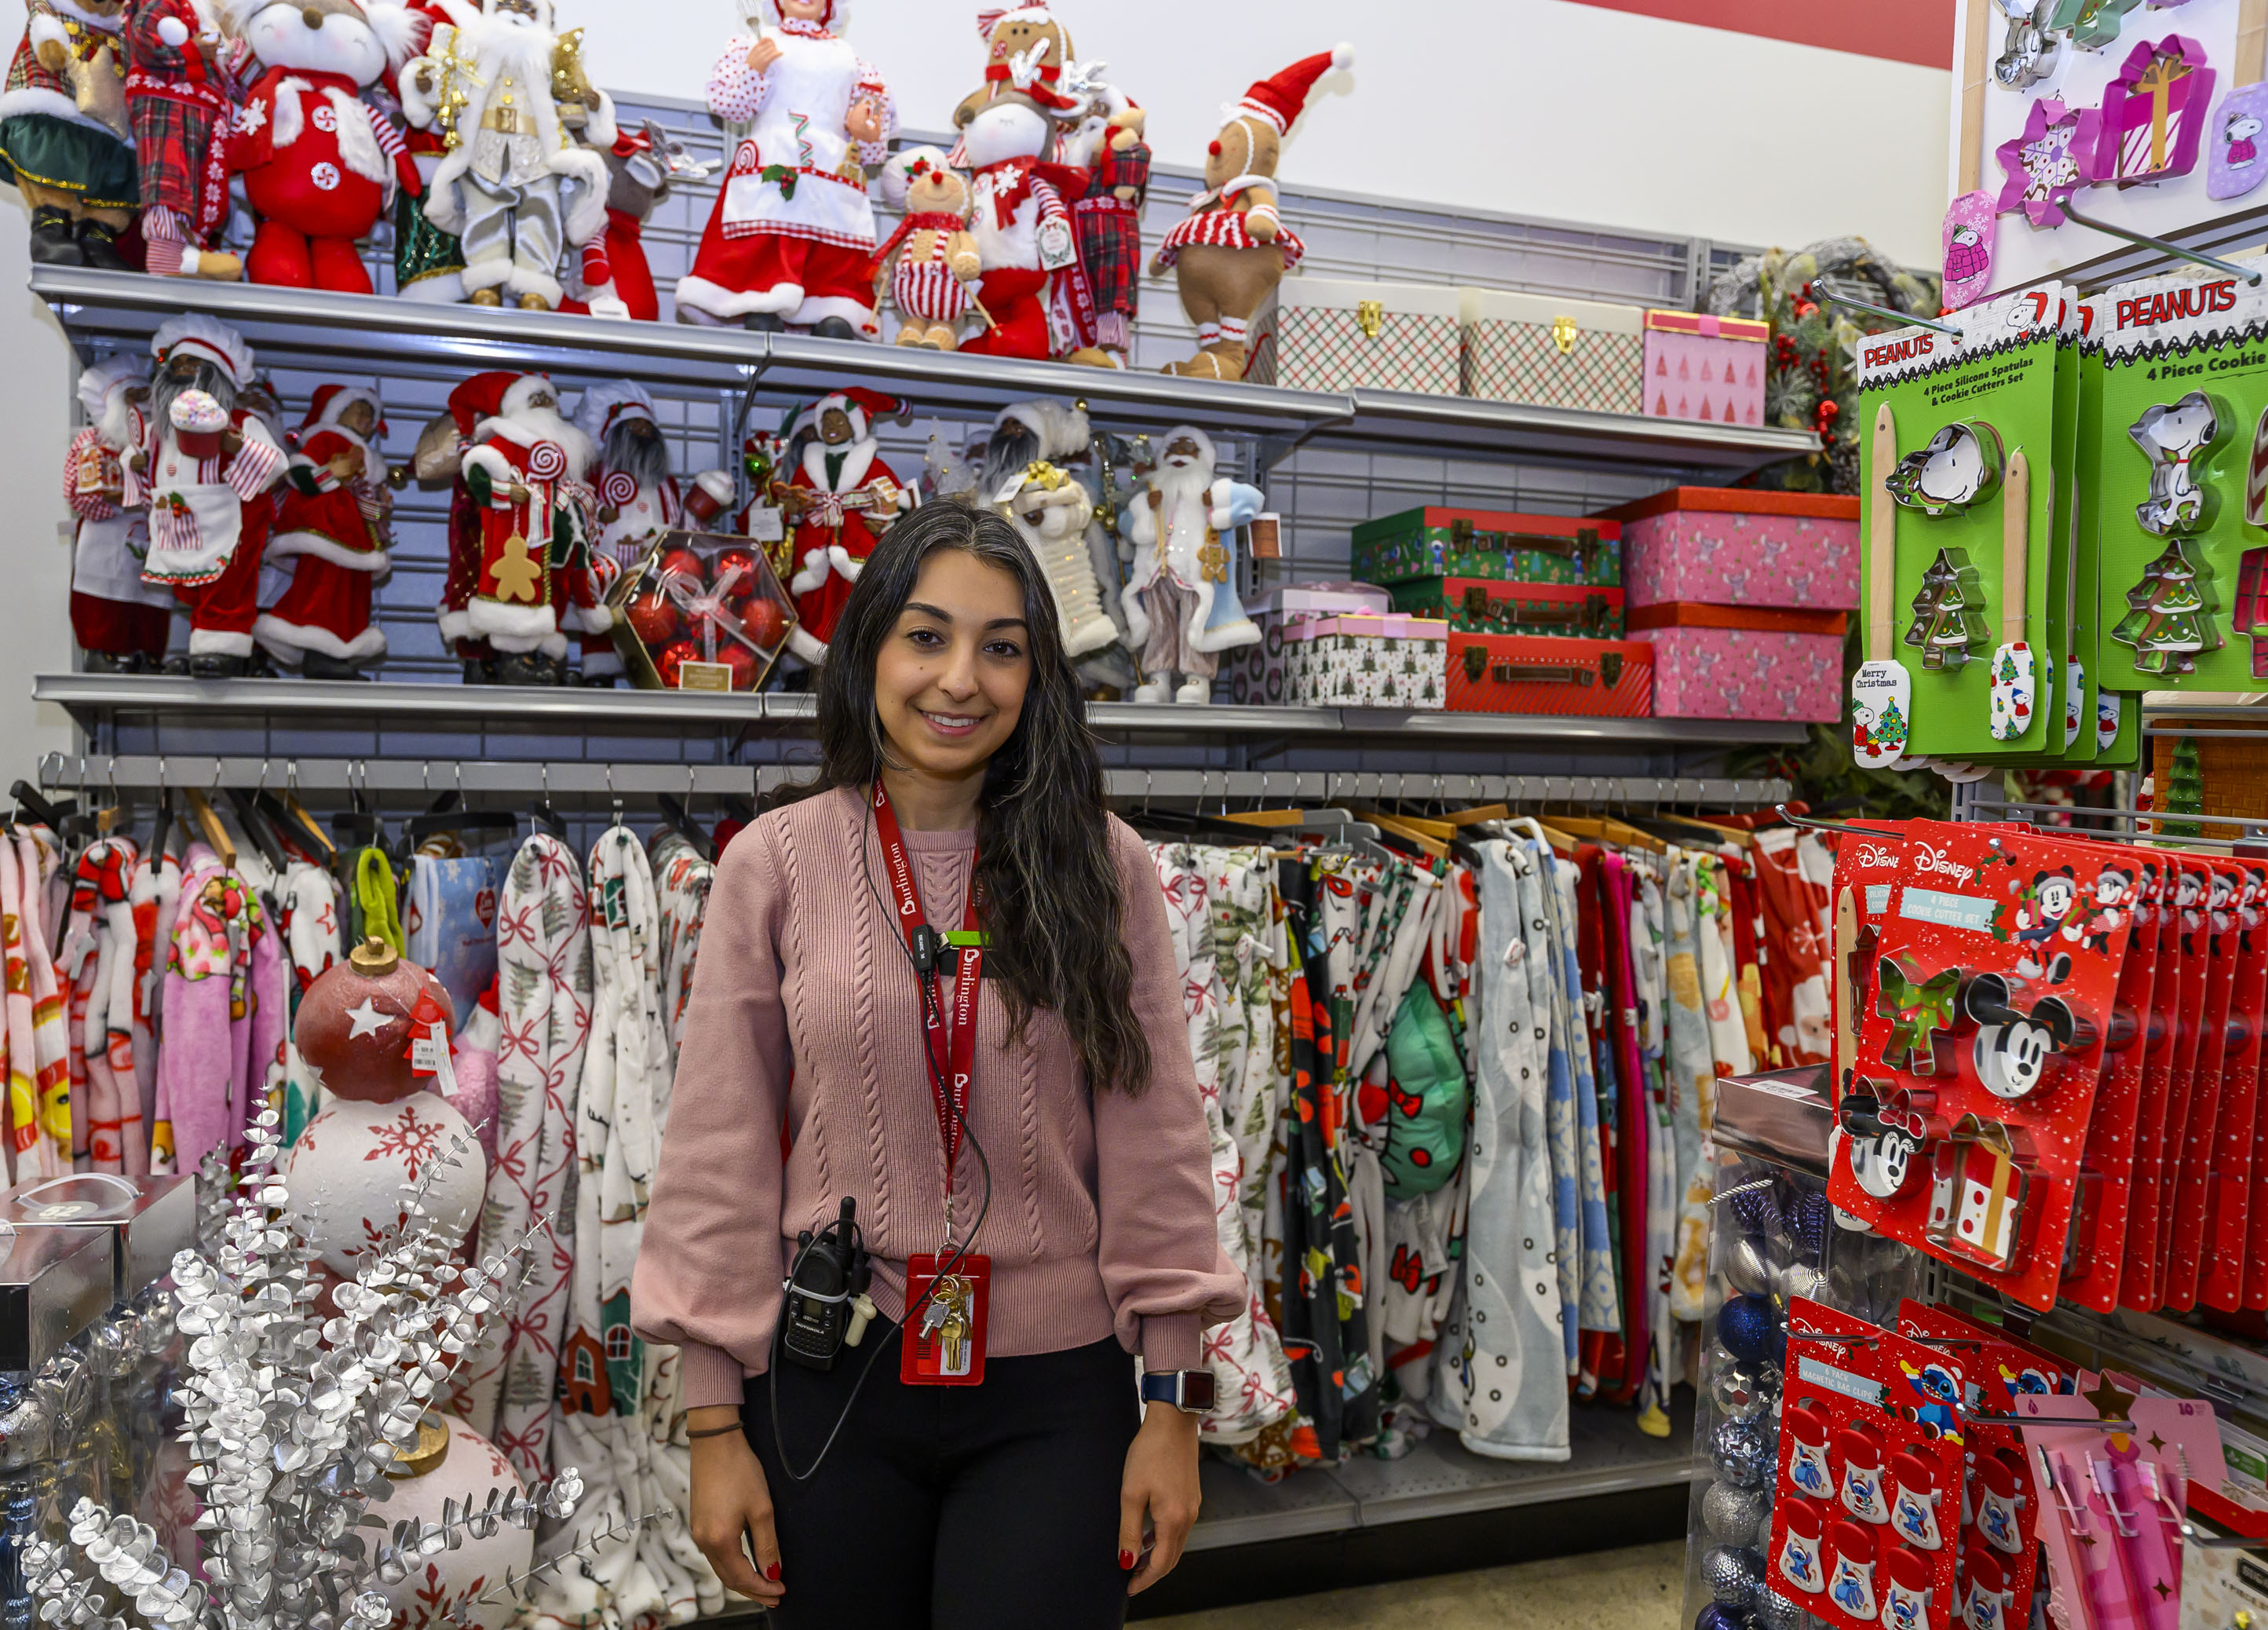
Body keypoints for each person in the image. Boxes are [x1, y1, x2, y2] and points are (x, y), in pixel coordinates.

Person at [632, 500, 1241, 1628]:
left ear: (1036, 675)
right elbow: (717, 1155)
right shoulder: (772, 865)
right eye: (926, 636)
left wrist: (1175, 1407)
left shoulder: (1101, 866)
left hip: (1057, 1398)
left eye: (1000, 647)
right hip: (830, 1382)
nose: (960, 679)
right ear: (867, 648)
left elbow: (1158, 1149)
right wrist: (713, 1425)